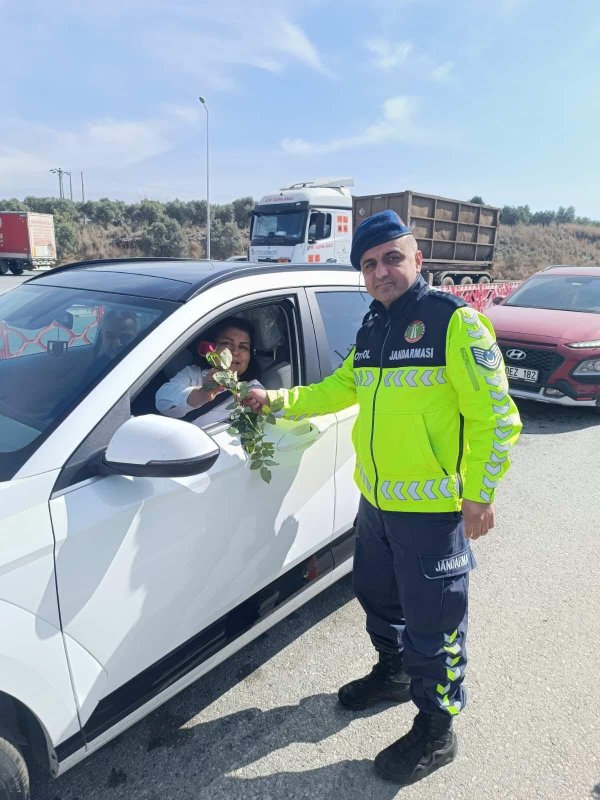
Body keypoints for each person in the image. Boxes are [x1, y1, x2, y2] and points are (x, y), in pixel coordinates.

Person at [244, 210, 522, 786]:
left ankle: (436, 729)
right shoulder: (373, 326)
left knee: (435, 622)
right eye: (369, 264)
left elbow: (497, 416)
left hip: (431, 512)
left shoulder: (455, 324)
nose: (381, 271)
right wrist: (275, 401)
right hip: (377, 503)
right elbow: (337, 388)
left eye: (392, 258)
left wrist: (479, 494)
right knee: (376, 596)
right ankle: (394, 675)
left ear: (418, 259)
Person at [156, 316, 263, 427]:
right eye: (226, 343)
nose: (235, 352)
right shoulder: (193, 373)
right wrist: (201, 394)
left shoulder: (254, 390)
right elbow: (161, 401)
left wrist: (257, 411)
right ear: (212, 347)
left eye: (243, 347)